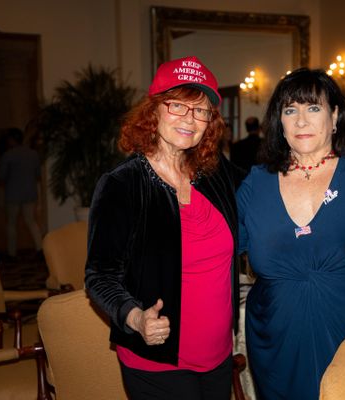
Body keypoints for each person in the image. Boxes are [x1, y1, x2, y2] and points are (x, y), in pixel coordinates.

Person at [236, 68, 345, 400]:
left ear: (334, 117)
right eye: (290, 110)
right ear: (279, 122)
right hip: (276, 340)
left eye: (313, 108)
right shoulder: (258, 181)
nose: (301, 121)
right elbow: (220, 245)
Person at [85, 56, 243, 400]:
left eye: (200, 111)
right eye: (177, 106)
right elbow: (100, 276)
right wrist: (135, 317)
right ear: (153, 110)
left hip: (218, 355)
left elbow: (266, 192)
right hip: (158, 360)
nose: (189, 118)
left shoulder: (215, 174)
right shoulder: (122, 185)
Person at [0, 127, 43, 259]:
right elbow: (38, 175)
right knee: (31, 221)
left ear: (11, 140)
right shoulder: (33, 154)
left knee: (11, 223)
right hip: (30, 193)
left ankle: (12, 253)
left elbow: (2, 177)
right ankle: (40, 248)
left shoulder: (8, 155)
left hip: (13, 194)